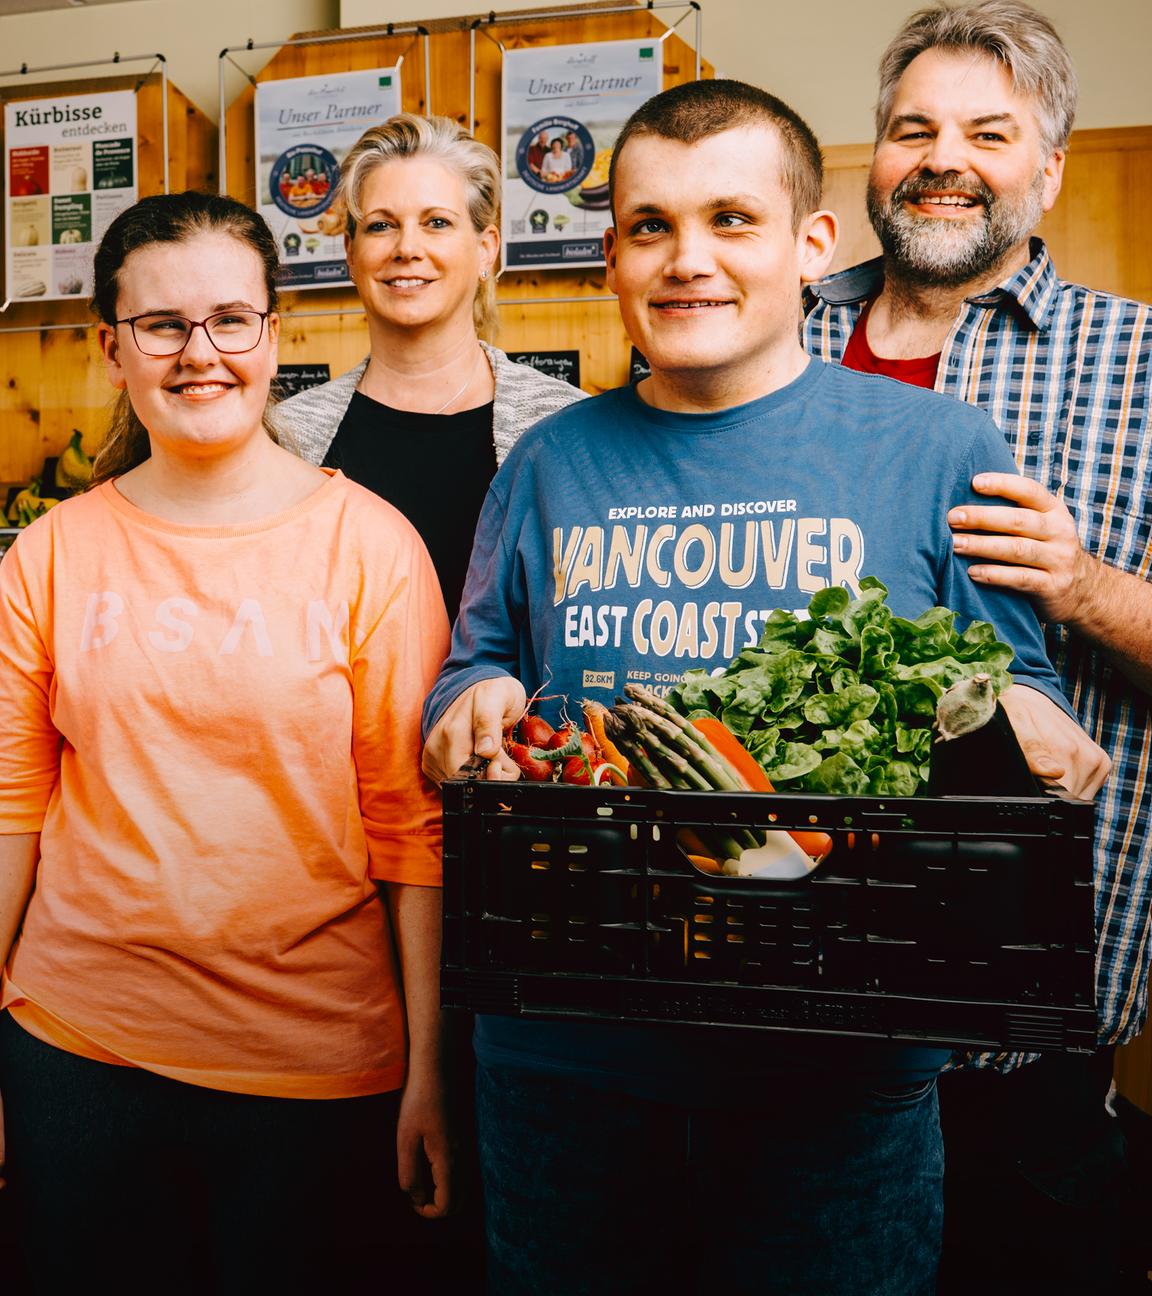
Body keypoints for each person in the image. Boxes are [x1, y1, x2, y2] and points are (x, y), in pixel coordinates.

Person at [421, 78, 1106, 1296]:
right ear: (612, 255)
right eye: (651, 226)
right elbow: (476, 669)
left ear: (812, 244)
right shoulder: (545, 461)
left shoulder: (942, 449)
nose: (688, 261)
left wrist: (1026, 733)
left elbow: (1018, 697)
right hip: (564, 1068)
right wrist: (461, 715)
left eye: (732, 220)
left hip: (839, 1083)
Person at [0, 191, 451, 1292]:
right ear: (113, 349)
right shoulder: (47, 557)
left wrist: (430, 1068)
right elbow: (10, 809)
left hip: (315, 1066)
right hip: (77, 1048)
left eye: (228, 320)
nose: (198, 353)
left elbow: (414, 834)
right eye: (161, 325)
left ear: (273, 337)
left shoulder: (372, 549)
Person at [802, 2, 1150, 1286]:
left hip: (1018, 1023)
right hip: (776, 987)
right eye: (914, 130)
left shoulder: (1140, 362)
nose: (944, 158)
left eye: (988, 133)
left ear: (1048, 166)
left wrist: (1083, 587)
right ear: (873, 158)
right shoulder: (765, 327)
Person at [275, 114, 584, 621]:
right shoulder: (288, 437)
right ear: (350, 254)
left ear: (486, 251)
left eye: (437, 222)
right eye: (381, 225)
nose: (407, 249)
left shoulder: (565, 425)